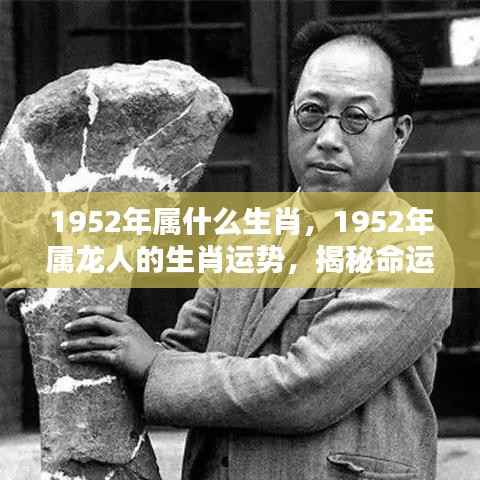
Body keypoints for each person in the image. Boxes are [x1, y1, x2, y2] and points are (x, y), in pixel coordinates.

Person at [4, 21, 454, 480]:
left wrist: (153, 364)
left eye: (356, 117)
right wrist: (56, 305)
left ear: (399, 133)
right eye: (312, 112)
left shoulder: (413, 248)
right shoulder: (246, 235)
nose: (328, 138)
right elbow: (164, 368)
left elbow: (306, 390)